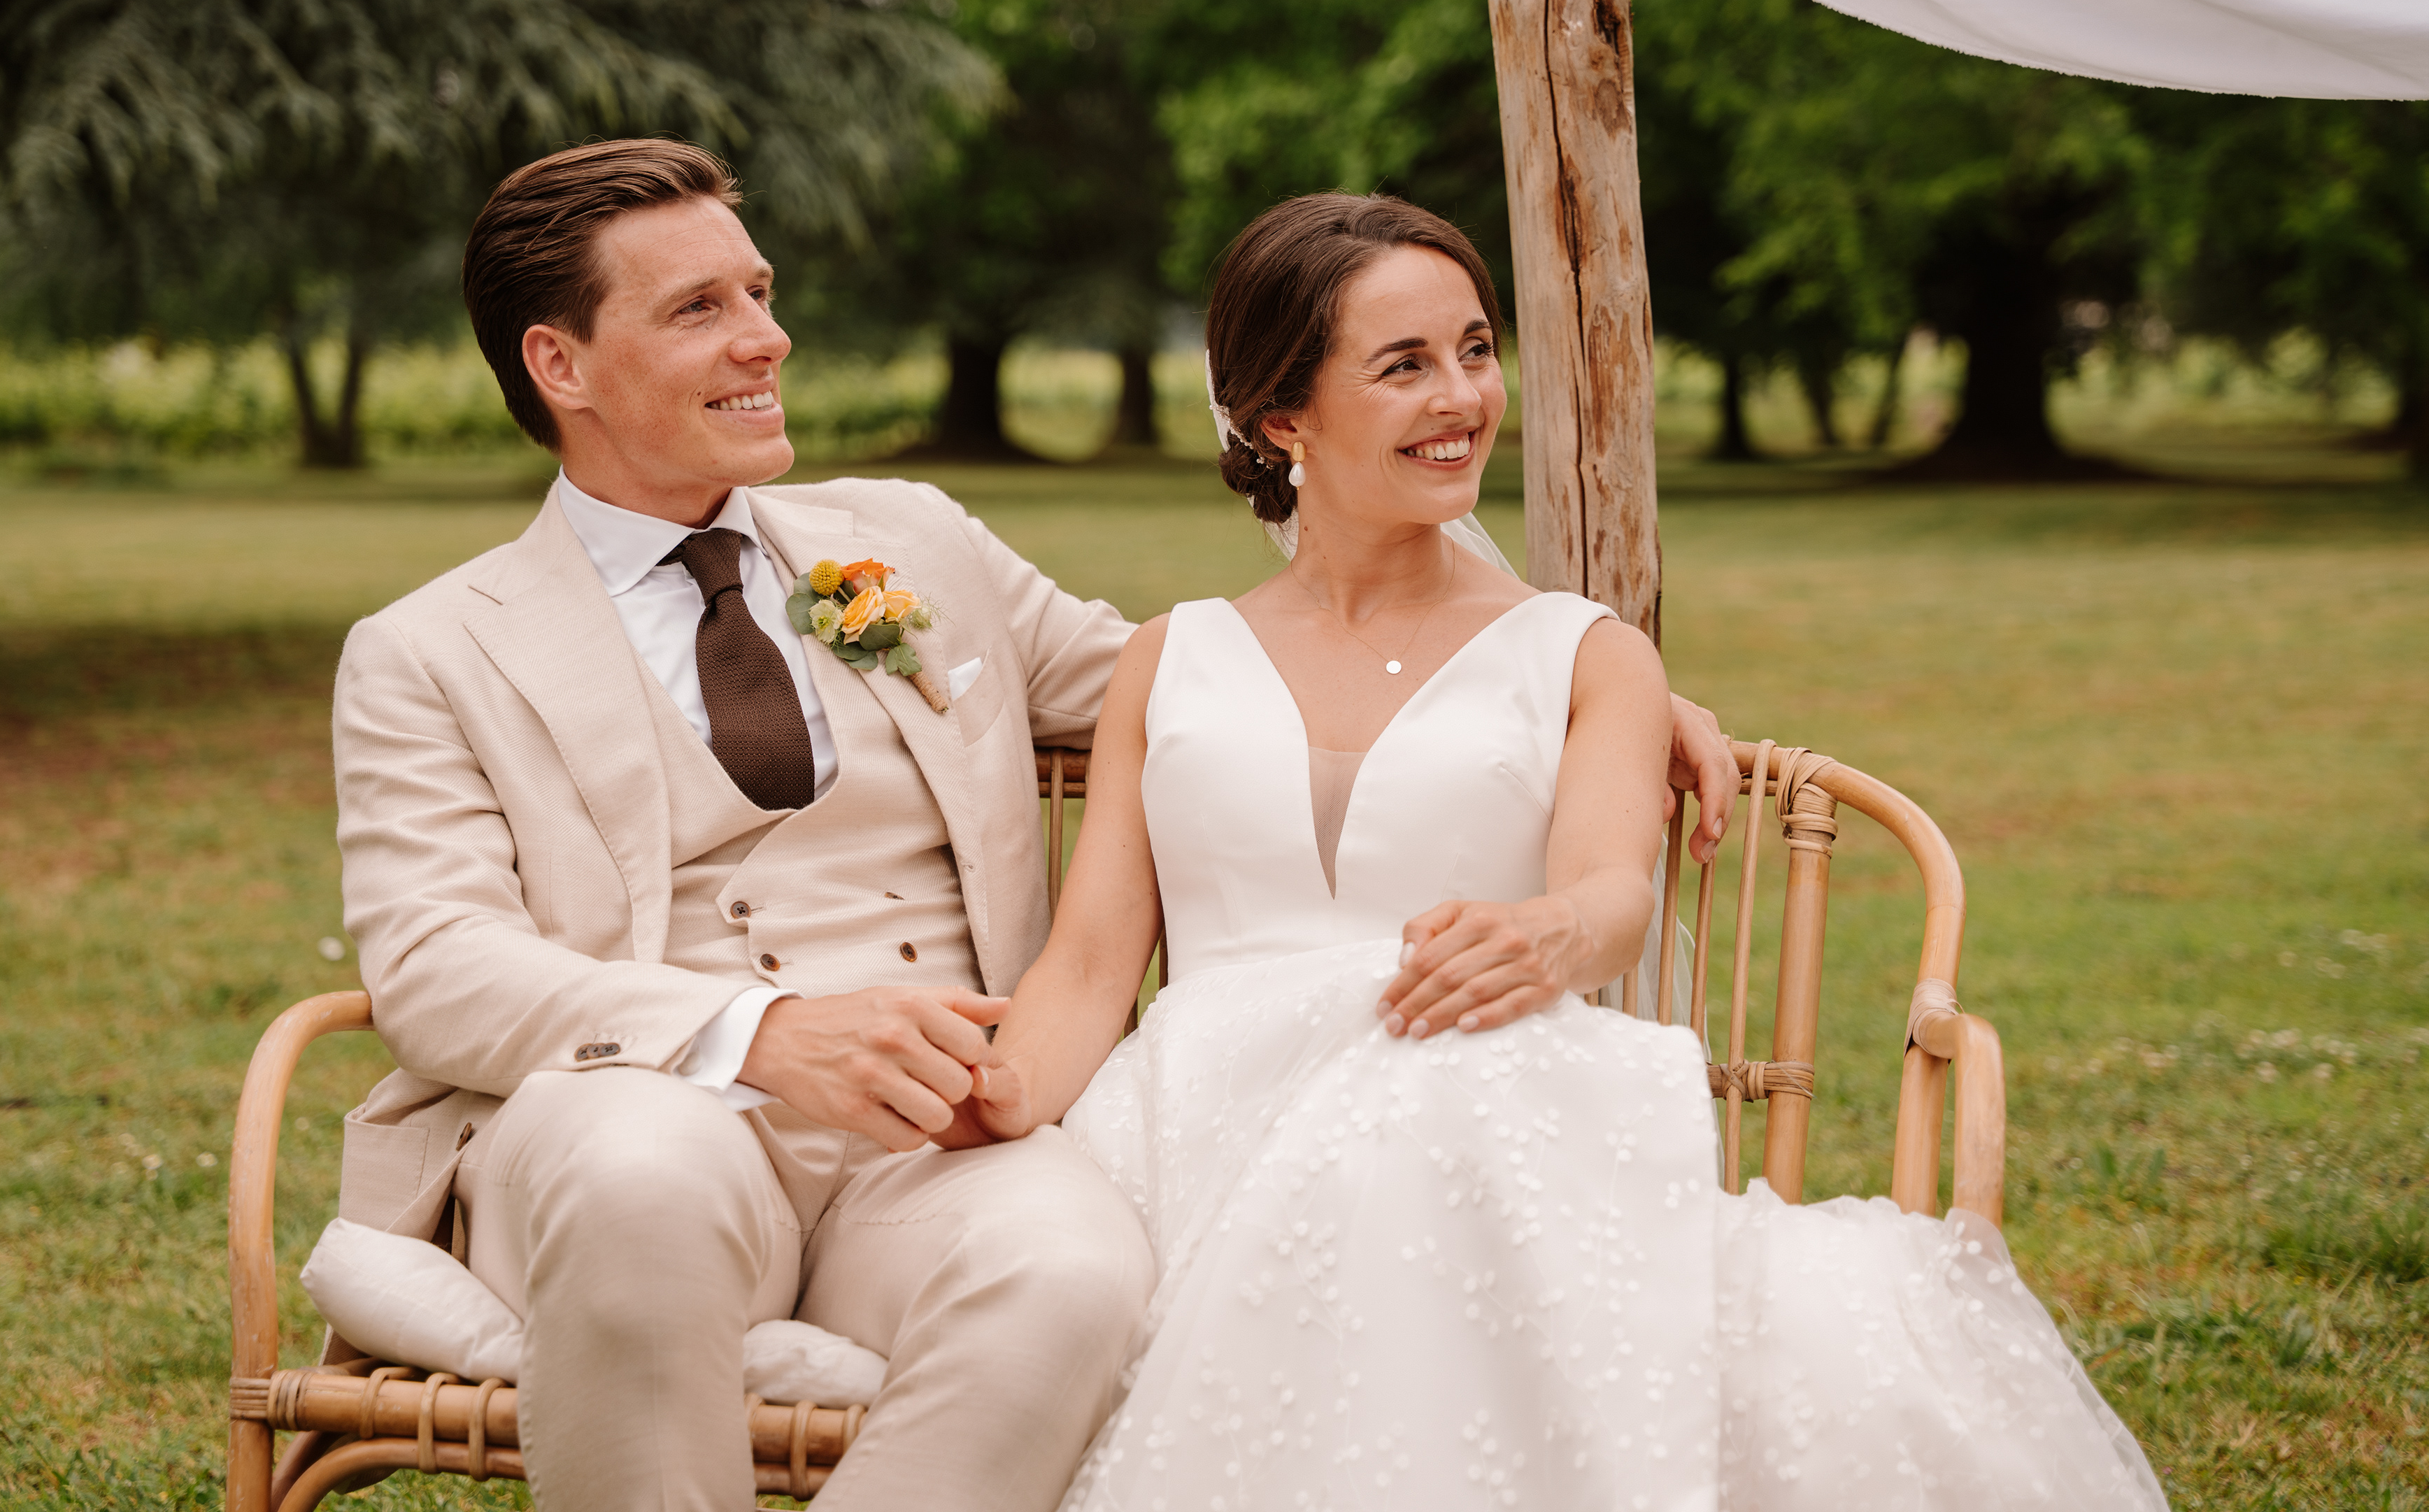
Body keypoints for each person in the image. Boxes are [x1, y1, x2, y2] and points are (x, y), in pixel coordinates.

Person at [331, 140, 1737, 1511]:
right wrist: (761, 1034)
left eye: (759, 292)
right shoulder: (433, 653)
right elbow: (436, 966)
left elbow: (1212, 687)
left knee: (1076, 1272)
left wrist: (1563, 686)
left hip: (940, 1137)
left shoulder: (906, 543)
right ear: (560, 363)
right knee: (641, 1176)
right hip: (641, 1114)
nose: (768, 336)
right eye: (701, 308)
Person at [951, 192, 2172, 1511]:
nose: (1464, 397)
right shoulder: (1169, 658)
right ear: (1281, 415)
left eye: (1477, 349)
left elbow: (1610, 895)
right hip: (1205, 1125)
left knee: (1417, 1116)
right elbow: (1092, 964)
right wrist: (1001, 1096)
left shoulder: (1586, 654)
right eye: (1405, 365)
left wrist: (1543, 934)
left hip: (1472, 1087)